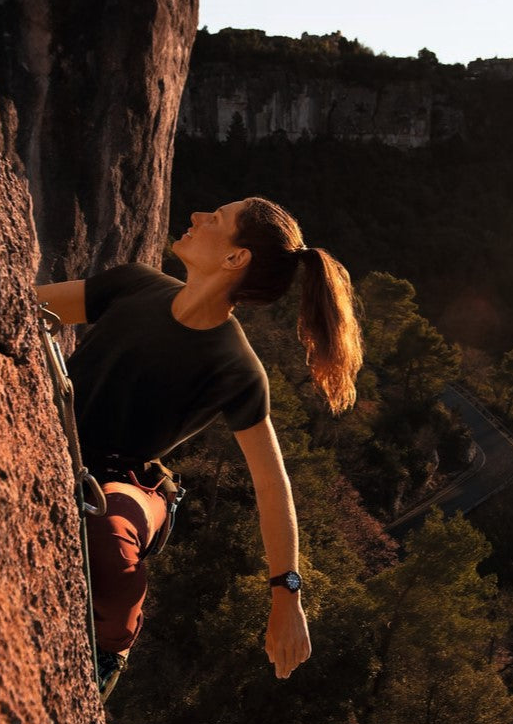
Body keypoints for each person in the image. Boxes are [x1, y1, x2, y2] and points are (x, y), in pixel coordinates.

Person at [36, 197, 362, 697]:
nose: (196, 217)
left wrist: (286, 596)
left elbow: (273, 485)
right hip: (50, 433)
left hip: (128, 479)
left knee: (110, 532)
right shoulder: (134, 284)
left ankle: (108, 651)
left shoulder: (236, 366)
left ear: (236, 259)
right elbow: (31, 306)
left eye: (217, 220)